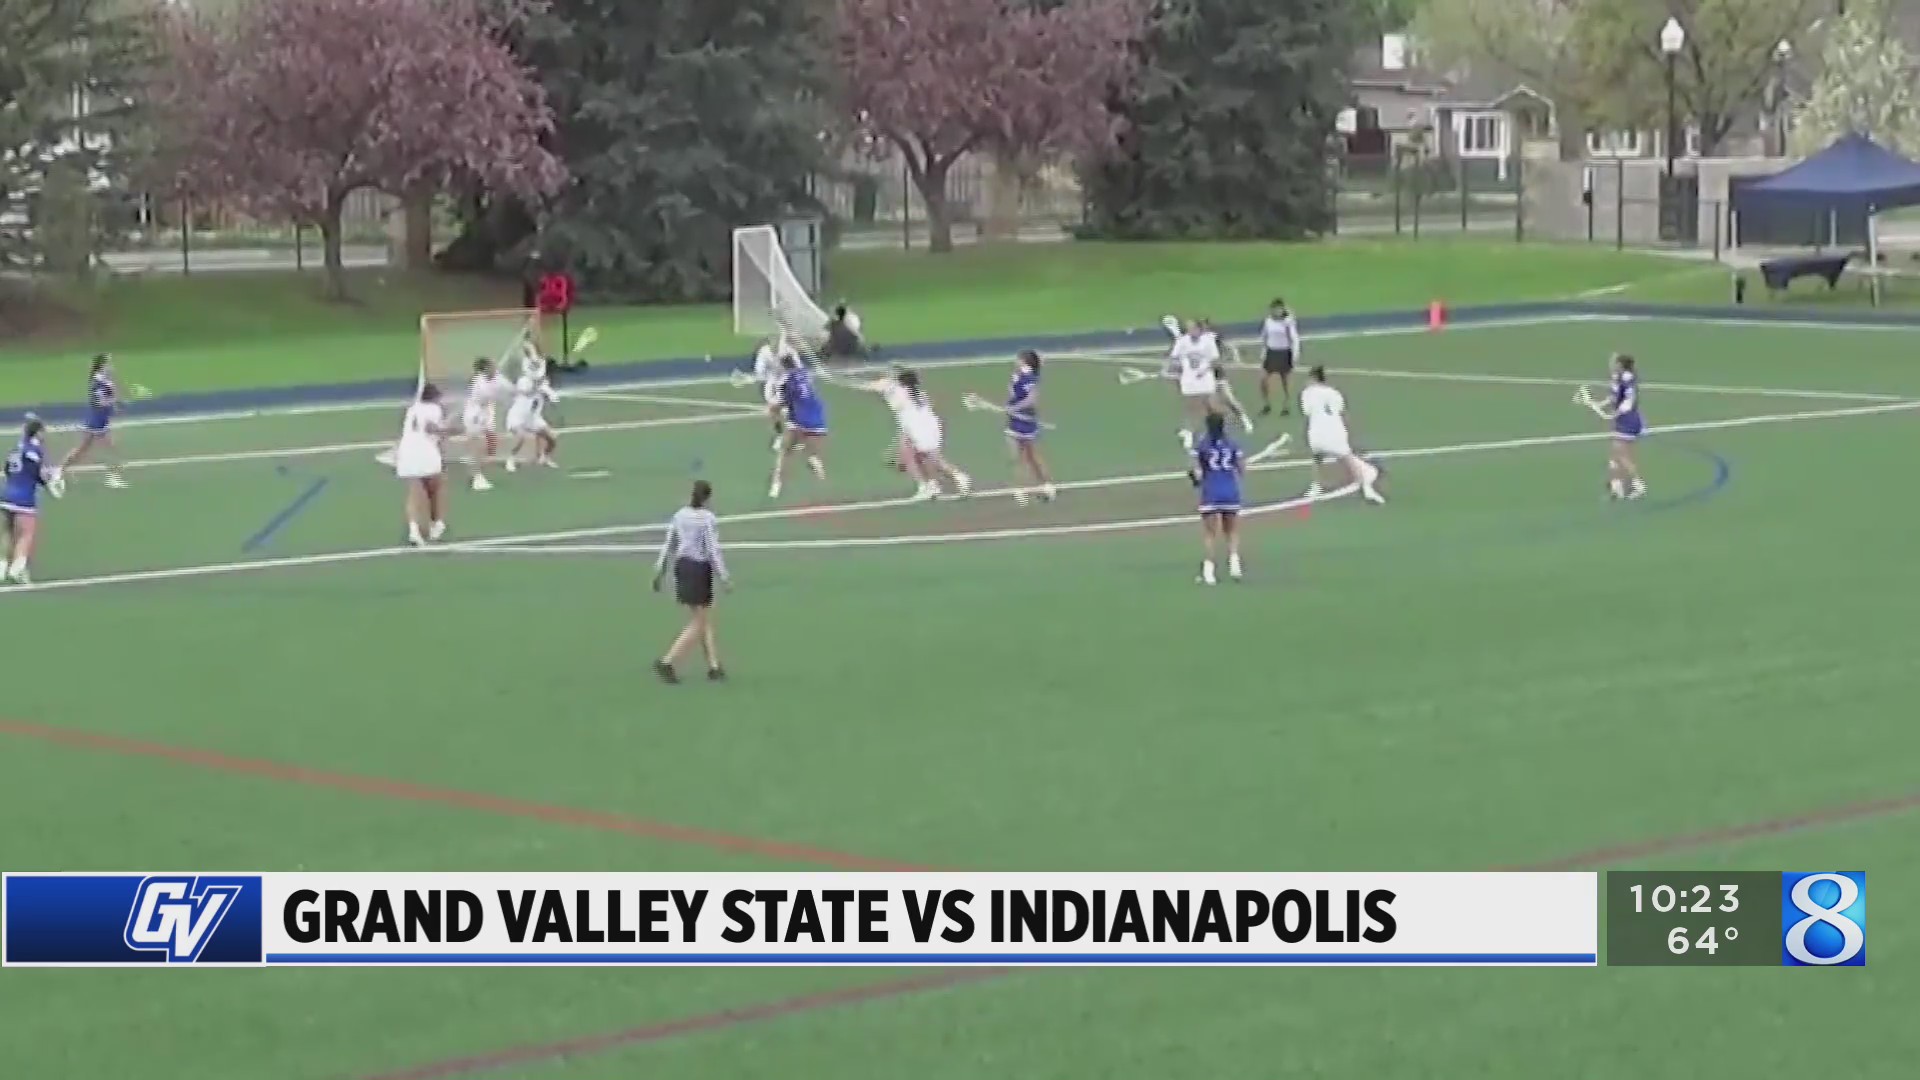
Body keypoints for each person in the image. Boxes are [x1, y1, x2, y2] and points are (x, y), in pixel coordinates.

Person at [651, 479, 730, 683]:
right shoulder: (707, 519)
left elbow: (669, 544)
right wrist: (723, 575)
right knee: (699, 622)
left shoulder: (680, 515)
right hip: (699, 569)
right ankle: (668, 661)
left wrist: (659, 571)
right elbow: (712, 550)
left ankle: (714, 666)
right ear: (708, 498)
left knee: (703, 618)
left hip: (682, 566)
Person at [1301, 366, 1386, 505]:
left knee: (1317, 458)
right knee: (1348, 459)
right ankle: (1367, 488)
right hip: (1336, 430)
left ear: (1313, 378)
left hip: (1317, 430)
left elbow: (1307, 411)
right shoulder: (1334, 393)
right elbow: (1339, 411)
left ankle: (1316, 486)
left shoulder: (1307, 393)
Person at [1187, 412, 1244, 585]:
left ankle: (1209, 571)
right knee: (1231, 531)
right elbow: (1241, 469)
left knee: (1210, 534)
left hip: (1211, 492)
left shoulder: (1202, 446)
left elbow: (1197, 473)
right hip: (1230, 491)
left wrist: (1196, 480)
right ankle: (1235, 565)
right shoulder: (1232, 444)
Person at [3, 415, 60, 584]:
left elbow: (7, 470)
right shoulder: (35, 450)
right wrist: (51, 484)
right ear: (38, 433)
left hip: (5, 494)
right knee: (26, 534)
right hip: (24, 498)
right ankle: (17, 569)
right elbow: (39, 474)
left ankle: (1, 567)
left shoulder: (16, 448)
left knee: (6, 532)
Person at [396, 383, 454, 546]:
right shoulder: (434, 409)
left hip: (407, 451)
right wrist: (451, 431)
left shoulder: (412, 409)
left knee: (414, 492)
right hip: (426, 450)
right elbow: (431, 428)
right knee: (438, 486)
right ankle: (437, 524)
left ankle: (414, 530)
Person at [1582, 353, 1646, 500]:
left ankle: (1638, 485)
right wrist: (1599, 404)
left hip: (1628, 420)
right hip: (1622, 420)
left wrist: (1615, 413)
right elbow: (1613, 398)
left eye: (1614, 362)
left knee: (1622, 456)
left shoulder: (1627, 379)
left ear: (1620, 365)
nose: (1611, 364)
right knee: (1616, 455)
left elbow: (1628, 401)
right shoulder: (1618, 378)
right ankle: (1617, 486)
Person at [59, 354, 127, 489]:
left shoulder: (105, 380)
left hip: (99, 420)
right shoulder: (99, 382)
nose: (111, 366)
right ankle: (113, 478)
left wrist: (115, 403)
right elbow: (100, 402)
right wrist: (114, 404)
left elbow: (110, 397)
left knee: (82, 449)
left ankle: (59, 472)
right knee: (111, 449)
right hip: (97, 421)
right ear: (102, 366)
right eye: (108, 363)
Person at [768, 354, 828, 499]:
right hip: (817, 416)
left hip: (800, 419)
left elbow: (781, 403)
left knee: (785, 452)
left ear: (783, 367)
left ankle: (776, 485)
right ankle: (815, 462)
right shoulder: (805, 372)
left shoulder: (784, 382)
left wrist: (773, 411)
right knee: (809, 448)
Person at [1005, 349, 1055, 504]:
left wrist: (1015, 407)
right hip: (1014, 421)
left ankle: (1047, 485)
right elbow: (1012, 392)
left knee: (1032, 457)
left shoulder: (1030, 378)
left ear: (1025, 362)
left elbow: (1032, 400)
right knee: (1015, 458)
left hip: (1026, 421)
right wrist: (1010, 406)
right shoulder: (1018, 376)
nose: (1016, 361)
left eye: (1019, 359)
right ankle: (1020, 490)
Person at [461, 358, 507, 492]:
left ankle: (476, 474)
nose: (495, 367)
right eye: (491, 366)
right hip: (475, 416)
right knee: (475, 446)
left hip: (483, 414)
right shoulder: (479, 382)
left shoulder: (491, 379)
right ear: (485, 369)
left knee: (487, 444)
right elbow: (488, 396)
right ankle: (476, 477)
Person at [753, 333, 800, 448]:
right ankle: (779, 435)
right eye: (772, 341)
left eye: (777, 341)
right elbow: (759, 369)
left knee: (792, 411)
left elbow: (797, 367)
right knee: (773, 411)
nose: (775, 343)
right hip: (772, 383)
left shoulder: (788, 351)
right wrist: (761, 375)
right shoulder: (764, 352)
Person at [1259, 299, 1299, 416]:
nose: (1276, 311)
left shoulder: (1287, 322)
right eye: (1274, 309)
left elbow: (1294, 338)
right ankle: (1267, 405)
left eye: (1279, 309)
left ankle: (1286, 405)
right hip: (1271, 352)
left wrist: (1294, 355)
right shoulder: (1268, 321)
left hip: (1284, 352)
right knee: (1263, 380)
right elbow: (1264, 337)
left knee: (1285, 381)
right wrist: (1263, 352)